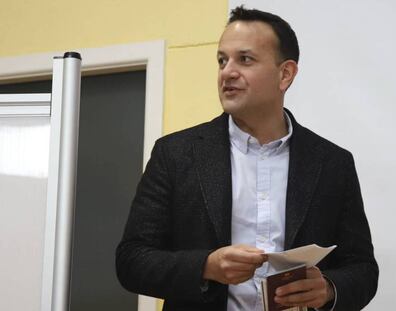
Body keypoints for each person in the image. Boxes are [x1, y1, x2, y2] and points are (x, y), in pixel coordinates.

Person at [116, 6, 378, 311]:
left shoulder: (333, 163)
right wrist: (206, 266)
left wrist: (329, 290)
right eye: (222, 60)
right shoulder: (175, 154)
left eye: (245, 59)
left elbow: (362, 269)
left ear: (285, 74)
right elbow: (131, 261)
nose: (227, 71)